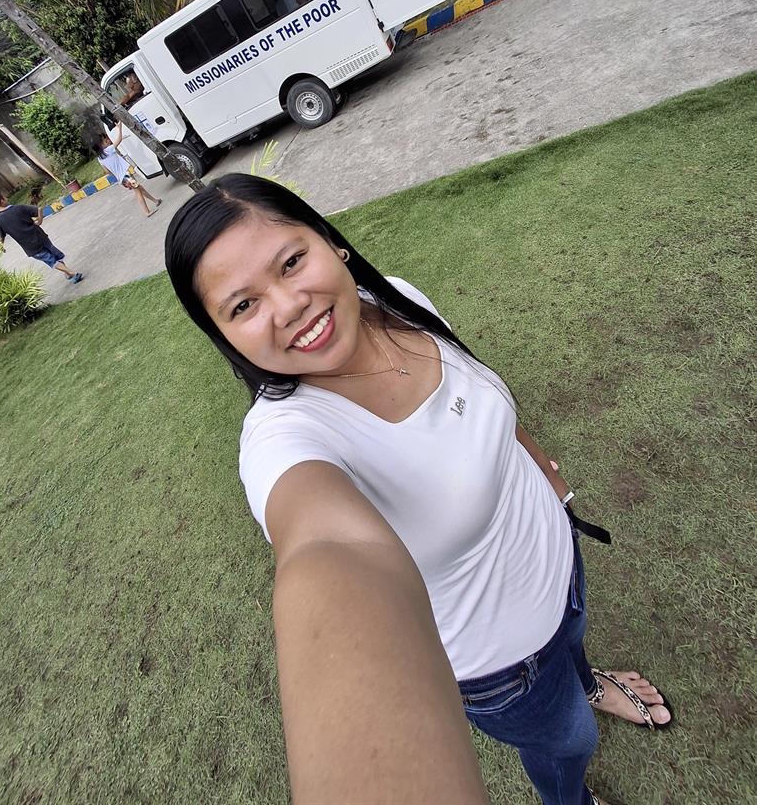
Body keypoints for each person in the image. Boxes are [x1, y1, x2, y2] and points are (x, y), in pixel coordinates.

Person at [164, 176, 671, 805]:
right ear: (224, 337)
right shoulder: (287, 440)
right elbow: (323, 549)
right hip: (506, 666)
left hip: (560, 562)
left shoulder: (394, 300)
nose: (289, 305)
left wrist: (550, 479)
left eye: (291, 261)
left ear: (330, 241)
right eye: (243, 305)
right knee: (569, 743)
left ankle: (588, 682)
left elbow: (486, 398)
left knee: (574, 645)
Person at [0, 192, 82, 283]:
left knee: (51, 260)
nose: (7, 198)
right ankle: (69, 273)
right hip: (41, 236)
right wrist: (39, 222)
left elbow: (0, 237)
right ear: (2, 200)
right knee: (54, 254)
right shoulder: (19, 208)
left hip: (30, 247)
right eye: (5, 197)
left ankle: (71, 273)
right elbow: (39, 210)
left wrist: (1, 247)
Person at [96, 124, 162, 218]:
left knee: (140, 188)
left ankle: (155, 201)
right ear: (101, 145)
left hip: (122, 179)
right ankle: (147, 212)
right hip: (126, 175)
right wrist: (120, 128)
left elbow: (107, 172)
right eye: (105, 141)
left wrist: (116, 170)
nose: (107, 141)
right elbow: (119, 139)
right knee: (138, 192)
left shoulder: (100, 159)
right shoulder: (109, 150)